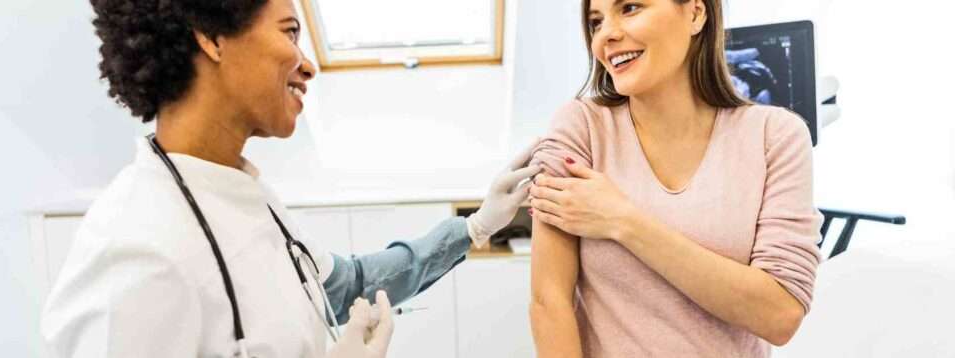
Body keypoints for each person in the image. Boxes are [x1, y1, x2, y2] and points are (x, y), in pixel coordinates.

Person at [41, 0, 540, 357]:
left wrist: (475, 227)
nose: (309, 65)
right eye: (289, 32)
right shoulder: (134, 254)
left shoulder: (245, 195)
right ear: (212, 38)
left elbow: (347, 287)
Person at [527, 0, 823, 356]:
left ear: (696, 12)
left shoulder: (776, 136)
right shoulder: (582, 128)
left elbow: (780, 316)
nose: (606, 35)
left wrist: (623, 221)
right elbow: (549, 302)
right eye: (596, 22)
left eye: (630, 8)